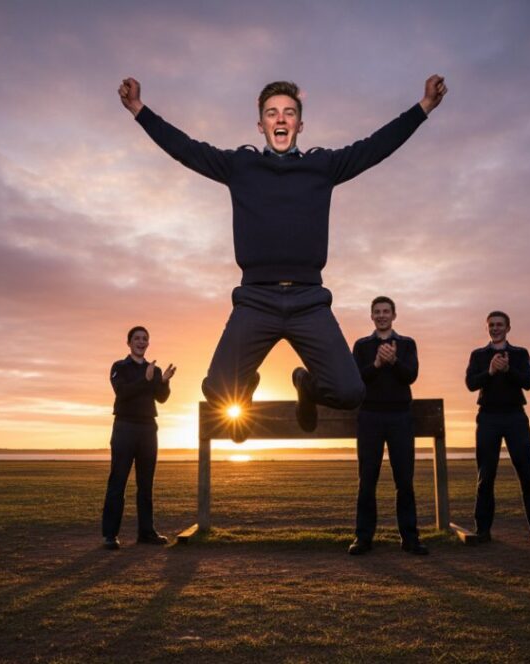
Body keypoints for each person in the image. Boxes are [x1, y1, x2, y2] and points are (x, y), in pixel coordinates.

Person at [118, 74, 448, 440]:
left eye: (288, 113)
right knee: (216, 390)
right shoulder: (239, 167)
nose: (280, 119)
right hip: (256, 299)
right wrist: (138, 109)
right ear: (260, 125)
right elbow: (186, 148)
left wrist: (424, 108)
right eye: (272, 113)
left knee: (350, 392)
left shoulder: (322, 166)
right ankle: (248, 382)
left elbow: (375, 147)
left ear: (299, 124)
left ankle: (305, 384)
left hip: (309, 300)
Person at [465, 311, 530, 547]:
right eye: (491, 325)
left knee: (527, 475)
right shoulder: (478, 355)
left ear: (508, 328)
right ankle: (482, 530)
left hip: (515, 417)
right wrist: (491, 372)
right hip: (488, 418)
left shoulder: (520, 353)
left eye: (499, 325)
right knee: (486, 476)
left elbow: (529, 382)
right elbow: (471, 384)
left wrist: (508, 370)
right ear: (487, 328)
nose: (495, 328)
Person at [348, 296, 427, 555]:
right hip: (370, 417)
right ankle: (363, 538)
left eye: (386, 311)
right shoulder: (361, 346)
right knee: (367, 480)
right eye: (377, 312)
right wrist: (377, 364)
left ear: (394, 315)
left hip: (400, 418)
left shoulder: (406, 344)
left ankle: (410, 537)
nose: (381, 315)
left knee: (404, 480)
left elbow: (411, 376)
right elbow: (356, 380)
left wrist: (393, 362)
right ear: (371, 316)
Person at [101, 326, 176, 550]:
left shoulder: (154, 368)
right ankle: (109, 535)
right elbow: (122, 393)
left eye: (145, 339)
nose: (141, 342)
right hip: (125, 427)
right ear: (129, 342)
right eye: (137, 338)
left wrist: (163, 382)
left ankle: (146, 533)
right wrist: (146, 379)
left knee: (146, 484)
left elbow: (161, 399)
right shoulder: (119, 367)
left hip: (148, 429)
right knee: (118, 482)